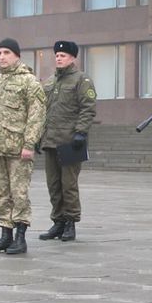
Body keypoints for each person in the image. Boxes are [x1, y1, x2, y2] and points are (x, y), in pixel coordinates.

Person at [0, 38, 46, 255]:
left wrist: (29, 143)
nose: (2, 57)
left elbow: (37, 116)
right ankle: (5, 235)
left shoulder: (29, 82)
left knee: (19, 193)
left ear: (17, 55)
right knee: (0, 193)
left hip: (19, 149)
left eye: (7, 52)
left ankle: (20, 237)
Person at [38, 41, 96, 242]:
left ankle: (70, 222)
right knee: (53, 185)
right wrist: (39, 136)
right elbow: (42, 111)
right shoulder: (50, 82)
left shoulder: (81, 80)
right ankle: (58, 222)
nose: (59, 58)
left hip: (71, 141)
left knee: (68, 185)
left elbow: (88, 107)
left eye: (63, 55)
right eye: (57, 55)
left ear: (72, 58)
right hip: (51, 140)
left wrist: (81, 132)